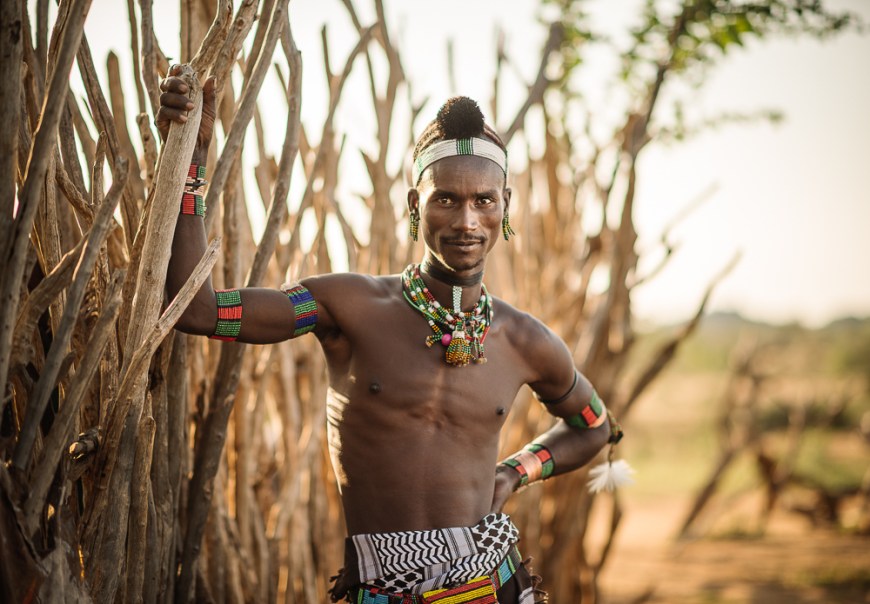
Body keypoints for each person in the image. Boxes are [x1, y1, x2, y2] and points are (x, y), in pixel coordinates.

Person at [157, 65, 621, 604]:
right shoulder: (347, 308)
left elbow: (594, 427)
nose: (467, 220)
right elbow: (199, 310)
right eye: (446, 198)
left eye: (484, 201)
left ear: (505, 207)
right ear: (413, 205)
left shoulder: (526, 341)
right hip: (379, 588)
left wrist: (514, 473)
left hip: (494, 586)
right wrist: (188, 160)